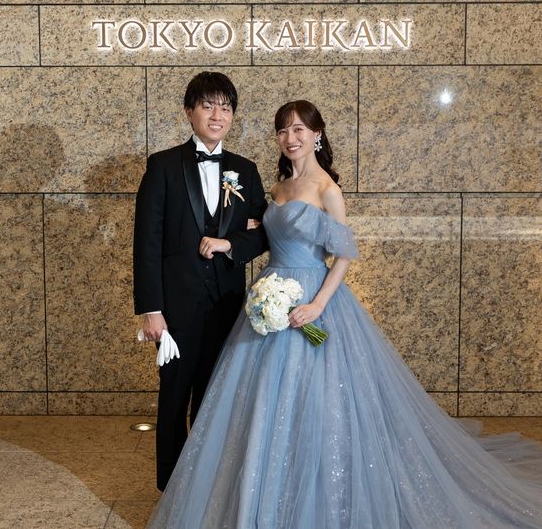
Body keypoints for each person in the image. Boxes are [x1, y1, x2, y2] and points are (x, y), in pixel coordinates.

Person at [146, 100, 542, 528]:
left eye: (299, 129)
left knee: (319, 401)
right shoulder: (276, 189)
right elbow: (258, 236)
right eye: (283, 130)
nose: (291, 138)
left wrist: (317, 304)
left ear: (317, 135)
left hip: (314, 300)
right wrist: (243, 240)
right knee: (257, 405)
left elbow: (344, 255)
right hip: (270, 297)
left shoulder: (327, 189)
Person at [133, 71, 268, 491]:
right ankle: (171, 491)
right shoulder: (163, 166)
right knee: (174, 397)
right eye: (207, 106)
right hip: (175, 308)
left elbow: (264, 233)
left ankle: (208, 486)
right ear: (189, 111)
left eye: (225, 108)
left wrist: (231, 243)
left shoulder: (245, 170)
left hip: (227, 305)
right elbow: (147, 241)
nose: (217, 115)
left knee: (215, 398)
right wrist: (151, 309)